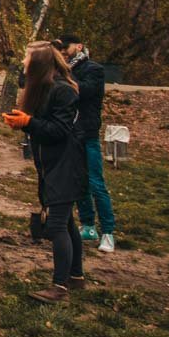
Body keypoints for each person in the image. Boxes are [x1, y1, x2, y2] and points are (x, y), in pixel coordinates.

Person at [3, 41, 86, 303]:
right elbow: (46, 128)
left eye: (27, 58)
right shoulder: (44, 89)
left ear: (38, 62)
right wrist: (25, 123)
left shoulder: (62, 91)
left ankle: (59, 287)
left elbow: (59, 131)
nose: (23, 62)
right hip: (52, 165)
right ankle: (76, 277)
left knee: (56, 225)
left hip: (65, 166)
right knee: (68, 222)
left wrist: (29, 122)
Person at [55, 34, 116, 253]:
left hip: (87, 133)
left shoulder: (94, 69)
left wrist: (63, 75)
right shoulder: (62, 69)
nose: (62, 50)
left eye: (65, 46)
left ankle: (108, 231)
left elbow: (84, 91)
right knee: (77, 182)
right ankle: (88, 224)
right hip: (70, 134)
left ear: (79, 46)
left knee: (96, 183)